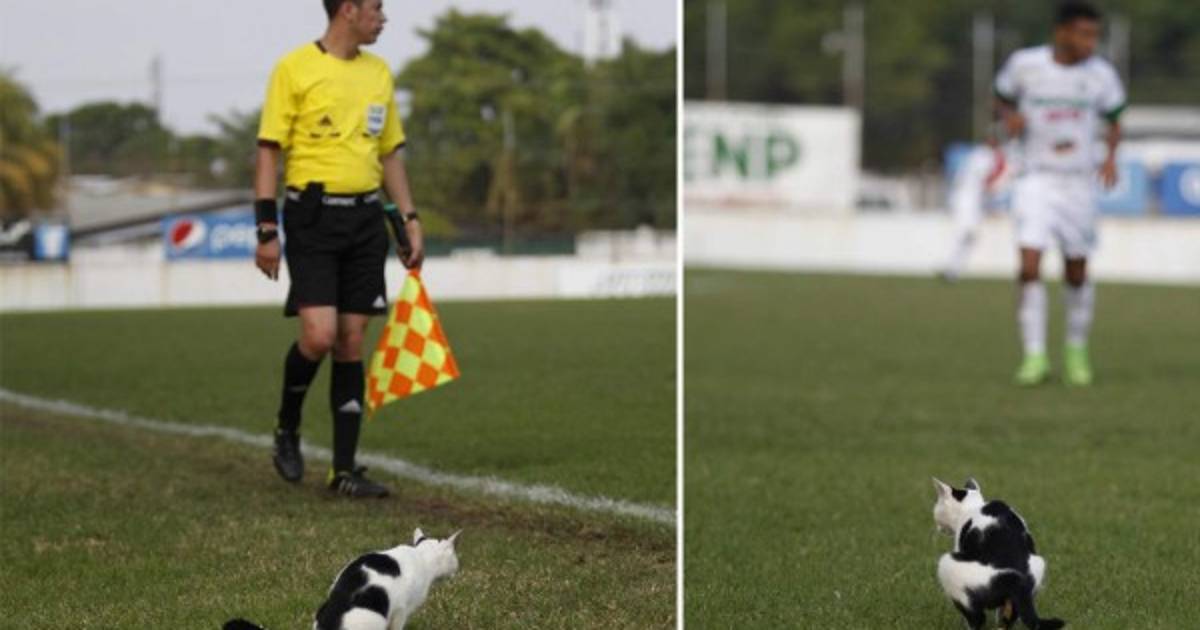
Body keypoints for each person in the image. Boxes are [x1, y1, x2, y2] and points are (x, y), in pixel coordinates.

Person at [253, 0, 425, 496]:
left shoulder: (379, 72)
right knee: (320, 335)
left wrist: (409, 218)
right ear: (348, 9)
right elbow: (268, 152)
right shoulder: (294, 68)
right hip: (312, 216)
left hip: (366, 219)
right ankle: (287, 426)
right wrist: (266, 229)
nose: (383, 18)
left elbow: (389, 153)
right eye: (376, 8)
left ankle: (344, 472)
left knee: (351, 340)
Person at [994, 1, 1124, 386]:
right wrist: (1009, 118)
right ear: (1061, 32)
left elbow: (1115, 118)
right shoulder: (1025, 65)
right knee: (1029, 266)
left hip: (1078, 182)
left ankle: (1075, 349)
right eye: (1084, 34)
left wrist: (1111, 157)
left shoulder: (1101, 75)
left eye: (1095, 35)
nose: (1090, 43)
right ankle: (1034, 356)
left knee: (1076, 271)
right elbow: (1001, 98)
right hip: (1035, 178)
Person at [939, 136, 1013, 282]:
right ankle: (951, 269)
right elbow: (988, 180)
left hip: (970, 200)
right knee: (966, 234)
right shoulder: (984, 156)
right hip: (967, 200)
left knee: (969, 237)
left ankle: (953, 269)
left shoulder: (977, 154)